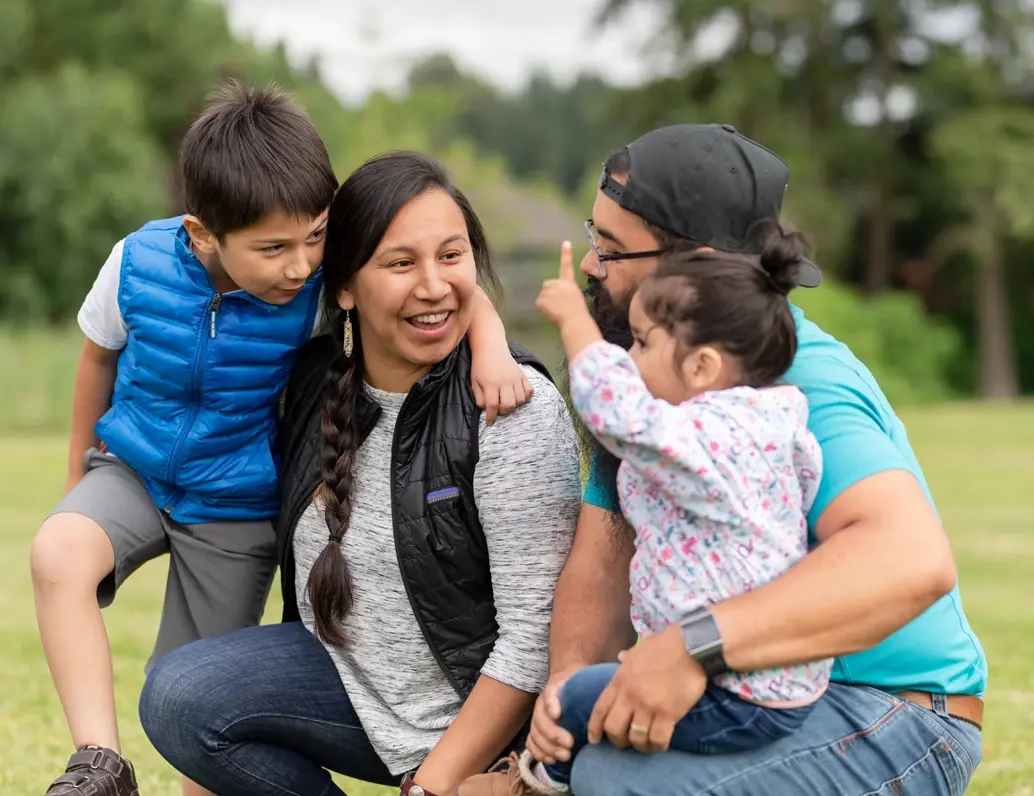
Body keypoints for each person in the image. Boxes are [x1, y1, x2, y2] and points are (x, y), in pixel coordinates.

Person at [31, 84, 531, 796]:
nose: (299, 266)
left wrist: (493, 350)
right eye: (272, 248)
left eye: (315, 237)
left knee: (194, 702)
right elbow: (97, 358)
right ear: (203, 233)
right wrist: (79, 476)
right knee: (57, 552)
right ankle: (98, 764)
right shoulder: (135, 265)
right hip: (134, 469)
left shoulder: (314, 282)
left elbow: (446, 280)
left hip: (235, 502)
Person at [461, 124, 987, 796]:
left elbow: (913, 561)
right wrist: (565, 704)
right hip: (750, 697)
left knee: (620, 783)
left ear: (696, 266)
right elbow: (600, 561)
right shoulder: (649, 376)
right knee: (596, 764)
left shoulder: (801, 377)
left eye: (612, 249)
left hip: (897, 712)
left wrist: (696, 646)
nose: (592, 266)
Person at [135, 151, 582, 796]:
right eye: (400, 263)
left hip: (472, 721)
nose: (432, 285)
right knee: (179, 697)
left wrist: (434, 785)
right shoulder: (310, 382)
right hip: (350, 691)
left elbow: (531, 639)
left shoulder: (509, 408)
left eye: (451, 256)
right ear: (343, 286)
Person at [486, 229, 832, 796]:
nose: (628, 356)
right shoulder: (768, 422)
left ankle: (539, 784)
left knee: (575, 702)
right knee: (598, 692)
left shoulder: (715, 436)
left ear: (701, 368)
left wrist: (576, 324)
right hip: (769, 681)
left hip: (738, 693)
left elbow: (622, 415)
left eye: (643, 343)